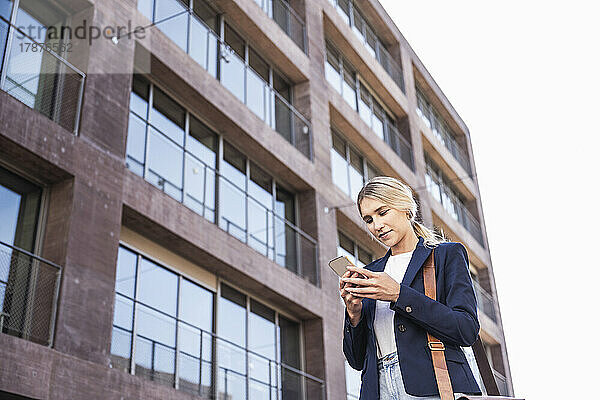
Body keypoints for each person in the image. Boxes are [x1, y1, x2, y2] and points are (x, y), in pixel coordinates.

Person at [340, 176, 482, 400]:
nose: (377, 226)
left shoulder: (445, 255)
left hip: (432, 384)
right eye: (368, 219)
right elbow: (357, 361)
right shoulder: (371, 272)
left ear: (405, 207)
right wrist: (353, 314)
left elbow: (466, 329)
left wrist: (398, 294)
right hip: (378, 390)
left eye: (382, 212)